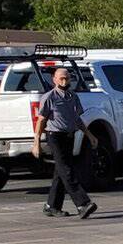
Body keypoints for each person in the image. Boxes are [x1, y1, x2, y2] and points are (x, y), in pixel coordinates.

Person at [35, 64, 97, 220]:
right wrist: (36, 143)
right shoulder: (49, 97)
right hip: (54, 136)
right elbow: (41, 121)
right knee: (67, 170)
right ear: (54, 79)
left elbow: (77, 119)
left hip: (69, 136)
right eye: (61, 78)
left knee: (61, 172)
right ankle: (83, 203)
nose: (64, 81)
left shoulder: (72, 97)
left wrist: (89, 135)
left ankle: (52, 206)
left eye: (67, 78)